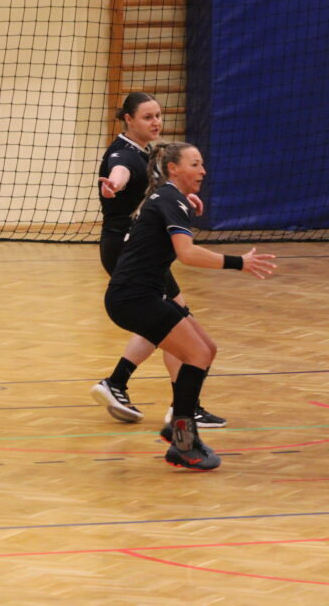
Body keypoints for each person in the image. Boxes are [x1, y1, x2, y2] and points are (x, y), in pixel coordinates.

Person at [104, 142, 276, 469]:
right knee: (195, 354)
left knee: (206, 349)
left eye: (202, 164)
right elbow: (187, 254)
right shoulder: (170, 198)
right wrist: (239, 262)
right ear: (173, 169)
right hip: (133, 297)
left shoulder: (169, 198)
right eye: (195, 164)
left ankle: (179, 425)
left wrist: (185, 203)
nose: (203, 171)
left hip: (145, 294)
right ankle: (183, 441)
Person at [90, 93, 226, 429]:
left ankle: (118, 382)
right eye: (147, 117)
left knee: (164, 319)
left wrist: (181, 197)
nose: (156, 122)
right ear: (129, 120)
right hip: (127, 250)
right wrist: (113, 185)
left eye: (158, 115)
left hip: (137, 248)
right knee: (174, 319)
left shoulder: (145, 152)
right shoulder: (124, 154)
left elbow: (151, 193)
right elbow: (120, 173)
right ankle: (183, 407)